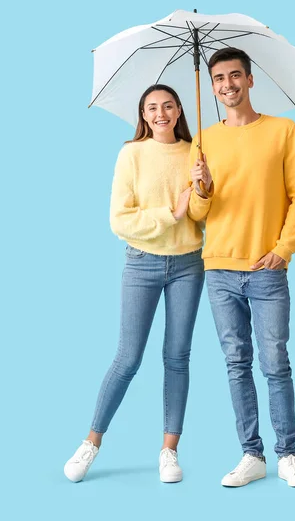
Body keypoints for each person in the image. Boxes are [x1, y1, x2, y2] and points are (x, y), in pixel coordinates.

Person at [64, 85, 204, 484]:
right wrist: (170, 212)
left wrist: (204, 188)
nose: (161, 113)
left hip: (189, 264)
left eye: (168, 106)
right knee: (127, 358)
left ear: (179, 110)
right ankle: (91, 442)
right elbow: (120, 220)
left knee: (178, 357)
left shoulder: (196, 152)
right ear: (143, 114)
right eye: (151, 107)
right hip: (141, 264)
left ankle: (169, 451)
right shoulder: (131, 153)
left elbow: (202, 215)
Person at [188, 47, 295, 488]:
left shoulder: (283, 131)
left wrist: (284, 249)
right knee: (236, 363)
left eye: (235, 76)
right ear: (213, 85)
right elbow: (199, 215)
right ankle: (251, 454)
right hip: (219, 270)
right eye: (219, 78)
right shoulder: (203, 141)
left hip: (266, 269)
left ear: (250, 79)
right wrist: (201, 188)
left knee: (275, 361)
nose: (227, 85)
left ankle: (288, 454)